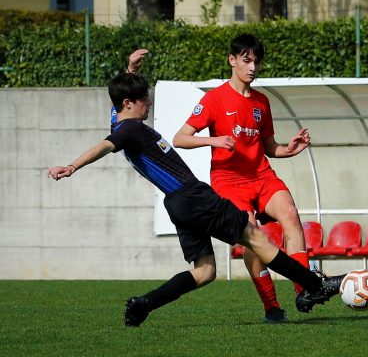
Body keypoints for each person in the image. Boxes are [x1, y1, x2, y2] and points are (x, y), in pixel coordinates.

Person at [48, 72, 344, 327]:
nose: (148, 104)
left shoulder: (121, 124)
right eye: (144, 100)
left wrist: (130, 70)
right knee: (257, 239)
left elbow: (116, 119)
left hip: (177, 204)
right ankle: (315, 285)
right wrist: (73, 166)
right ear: (129, 104)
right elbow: (105, 145)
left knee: (205, 272)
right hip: (194, 196)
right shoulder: (130, 129)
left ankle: (145, 304)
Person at [172, 34, 312, 322]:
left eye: (256, 62)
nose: (252, 67)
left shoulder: (262, 102)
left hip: (261, 175)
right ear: (232, 60)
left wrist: (289, 149)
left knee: (291, 216)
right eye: (246, 61)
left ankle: (305, 289)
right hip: (228, 180)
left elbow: (270, 148)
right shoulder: (213, 99)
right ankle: (272, 307)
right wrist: (213, 141)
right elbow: (180, 138)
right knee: (253, 237)